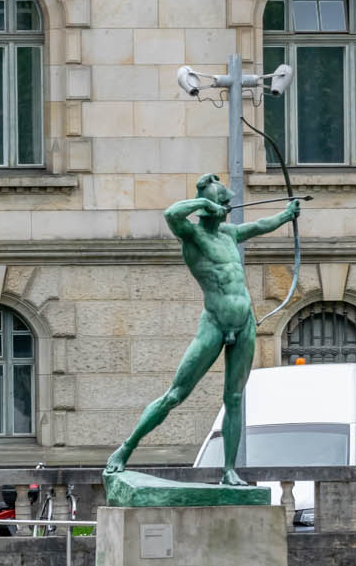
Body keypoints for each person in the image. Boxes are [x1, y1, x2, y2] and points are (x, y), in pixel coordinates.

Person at [105, 173, 299, 484]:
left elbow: (262, 225)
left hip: (245, 323)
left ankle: (229, 470)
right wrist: (203, 202)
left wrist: (287, 215)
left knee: (234, 398)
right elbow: (171, 213)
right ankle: (125, 449)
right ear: (209, 207)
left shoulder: (230, 234)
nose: (227, 209)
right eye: (223, 203)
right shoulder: (192, 236)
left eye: (226, 204)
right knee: (175, 395)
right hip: (214, 324)